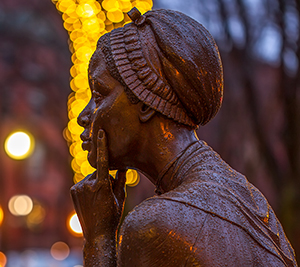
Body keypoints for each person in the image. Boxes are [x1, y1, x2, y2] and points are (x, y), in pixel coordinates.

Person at [70, 8, 298, 266]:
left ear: (146, 103)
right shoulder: (252, 200)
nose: (84, 115)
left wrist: (98, 240)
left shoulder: (156, 225)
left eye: (100, 95)